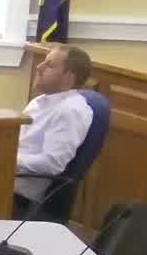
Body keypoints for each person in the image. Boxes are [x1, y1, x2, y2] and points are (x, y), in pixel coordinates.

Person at [14, 45, 96, 215]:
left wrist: (9, 159)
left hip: (18, 191)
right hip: (5, 175)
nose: (39, 67)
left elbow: (51, 164)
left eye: (49, 65)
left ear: (69, 76)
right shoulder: (38, 102)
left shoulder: (70, 110)